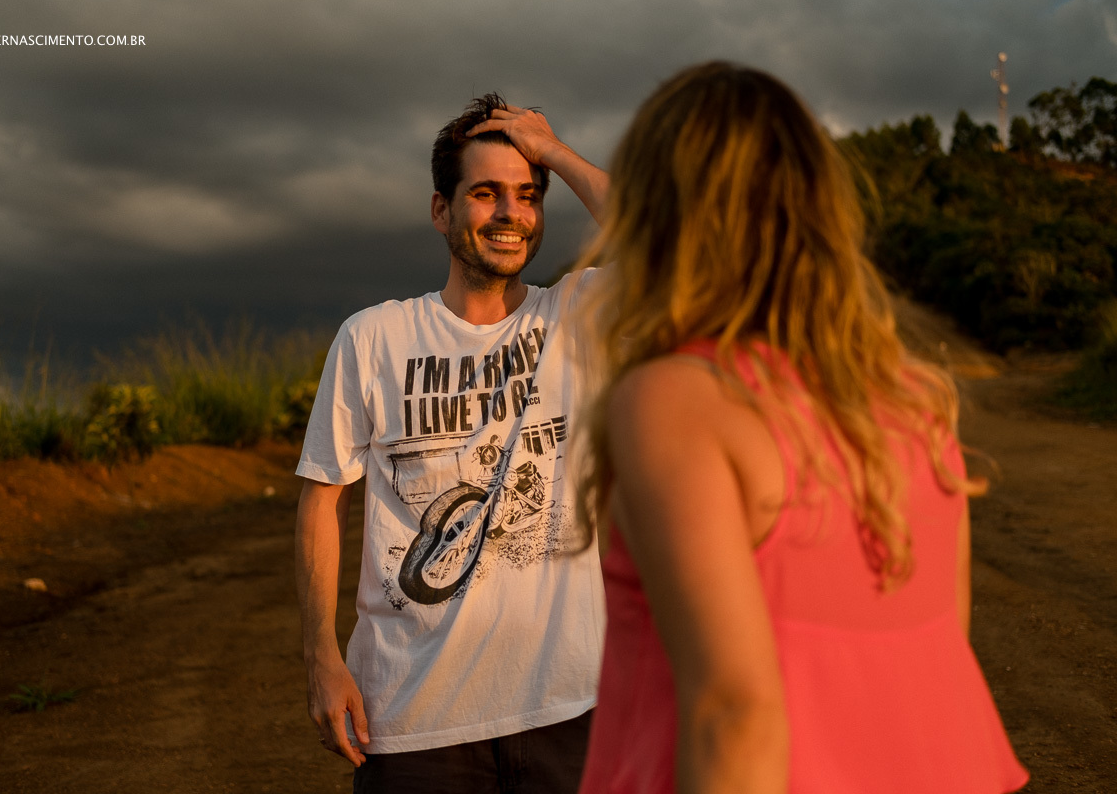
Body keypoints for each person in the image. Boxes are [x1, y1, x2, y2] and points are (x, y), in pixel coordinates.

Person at [572, 62, 1029, 794]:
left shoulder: (676, 400)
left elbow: (735, 714)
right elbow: (940, 649)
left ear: (656, 215)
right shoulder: (913, 399)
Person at [294, 93, 610, 793]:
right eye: (487, 193)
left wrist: (553, 151)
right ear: (442, 210)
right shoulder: (374, 338)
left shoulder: (579, 315)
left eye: (528, 196)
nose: (510, 214)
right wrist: (320, 656)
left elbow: (682, 250)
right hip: (415, 722)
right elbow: (322, 502)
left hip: (568, 712)